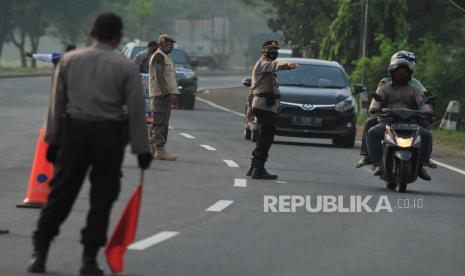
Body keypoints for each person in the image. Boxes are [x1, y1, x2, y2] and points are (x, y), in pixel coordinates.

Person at [27, 13, 152, 275]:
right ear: (119, 36)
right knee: (101, 200)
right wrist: (141, 149)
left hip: (75, 135)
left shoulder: (70, 61)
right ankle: (88, 259)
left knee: (60, 195)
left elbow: (56, 106)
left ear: (92, 33)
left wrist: (52, 140)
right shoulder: (125, 66)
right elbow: (136, 112)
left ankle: (40, 252)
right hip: (109, 138)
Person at [356, 50, 436, 169]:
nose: (401, 73)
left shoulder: (415, 87)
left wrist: (427, 112)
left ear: (410, 71)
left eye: (405, 70)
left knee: (427, 134)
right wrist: (374, 108)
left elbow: (423, 100)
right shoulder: (385, 84)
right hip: (388, 119)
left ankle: (423, 163)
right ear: (392, 70)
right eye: (399, 70)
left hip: (411, 120)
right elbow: (377, 99)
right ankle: (372, 159)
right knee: (371, 129)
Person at [246, 40, 298, 179]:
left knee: (263, 136)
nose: (274, 52)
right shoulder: (263, 63)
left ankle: (253, 166)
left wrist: (250, 110)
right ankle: (259, 169)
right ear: (263, 51)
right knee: (266, 138)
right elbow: (276, 64)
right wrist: (287, 65)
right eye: (270, 49)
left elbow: (252, 90)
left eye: (275, 50)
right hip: (264, 106)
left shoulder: (268, 69)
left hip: (266, 106)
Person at [148, 34, 179, 161]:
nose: (169, 47)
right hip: (161, 95)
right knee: (161, 123)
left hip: (163, 95)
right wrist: (168, 93)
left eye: (171, 45)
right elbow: (160, 77)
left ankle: (153, 149)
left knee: (158, 121)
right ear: (160, 45)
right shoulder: (159, 56)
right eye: (166, 45)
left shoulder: (166, 57)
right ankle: (160, 149)